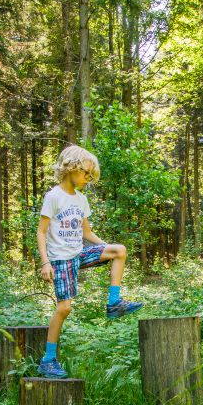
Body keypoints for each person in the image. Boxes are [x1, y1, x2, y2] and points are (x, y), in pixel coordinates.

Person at [36, 145, 143, 378]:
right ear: (71, 167)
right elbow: (41, 232)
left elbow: (87, 233)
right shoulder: (53, 196)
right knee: (64, 307)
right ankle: (48, 360)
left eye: (91, 175)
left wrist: (107, 248)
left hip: (78, 254)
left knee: (120, 250)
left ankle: (114, 303)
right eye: (86, 173)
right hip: (60, 260)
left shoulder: (81, 200)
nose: (88, 179)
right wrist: (45, 263)